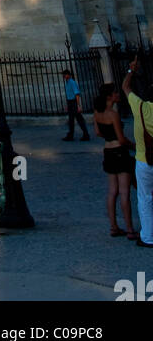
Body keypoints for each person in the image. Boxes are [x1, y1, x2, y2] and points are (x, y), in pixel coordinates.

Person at [92, 84, 136, 238]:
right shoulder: (113, 114)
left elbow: (97, 132)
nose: (118, 94)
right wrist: (134, 145)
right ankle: (130, 229)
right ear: (109, 96)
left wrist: (108, 137)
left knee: (112, 191)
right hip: (119, 151)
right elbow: (122, 139)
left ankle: (113, 226)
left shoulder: (97, 112)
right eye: (115, 92)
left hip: (108, 151)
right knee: (124, 191)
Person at [122, 58, 153, 248]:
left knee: (144, 199)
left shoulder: (140, 106)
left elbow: (125, 87)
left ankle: (148, 237)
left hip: (144, 160)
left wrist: (131, 69)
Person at [62, 71, 90, 141]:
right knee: (72, 119)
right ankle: (72, 135)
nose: (64, 76)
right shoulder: (67, 82)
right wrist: (67, 104)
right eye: (63, 75)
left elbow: (77, 94)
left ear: (68, 75)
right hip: (70, 102)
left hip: (74, 102)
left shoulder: (72, 82)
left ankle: (85, 134)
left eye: (65, 74)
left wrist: (78, 105)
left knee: (78, 119)